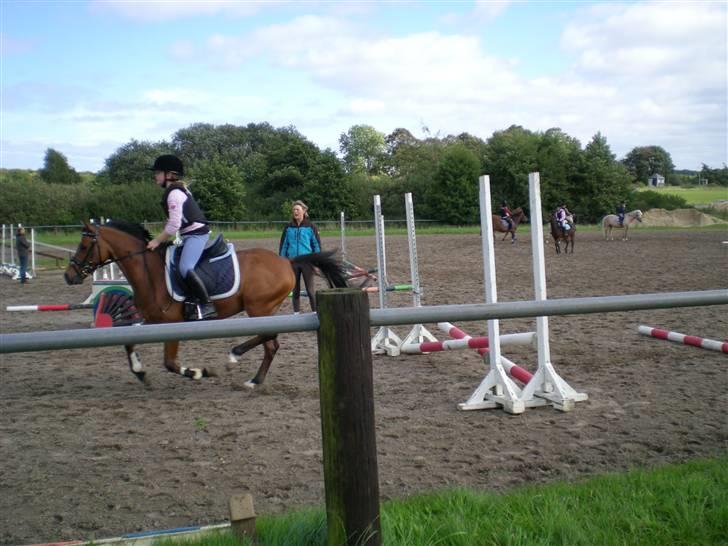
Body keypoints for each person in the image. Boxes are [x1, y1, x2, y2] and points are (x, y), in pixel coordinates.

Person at [146, 154, 215, 320]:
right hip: (188, 235)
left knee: (185, 267)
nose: (155, 176)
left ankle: (207, 304)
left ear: (169, 174)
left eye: (157, 172)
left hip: (196, 235)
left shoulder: (174, 194)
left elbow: (174, 225)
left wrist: (157, 240)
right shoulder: (175, 190)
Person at [279, 200, 322, 313]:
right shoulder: (288, 228)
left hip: (307, 262)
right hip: (293, 262)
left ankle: (314, 312)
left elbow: (316, 246)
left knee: (310, 290)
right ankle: (296, 313)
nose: (295, 212)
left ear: (304, 211)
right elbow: (283, 246)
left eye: (297, 209)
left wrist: (317, 263)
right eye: (294, 210)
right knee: (295, 290)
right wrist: (282, 262)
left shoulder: (311, 226)